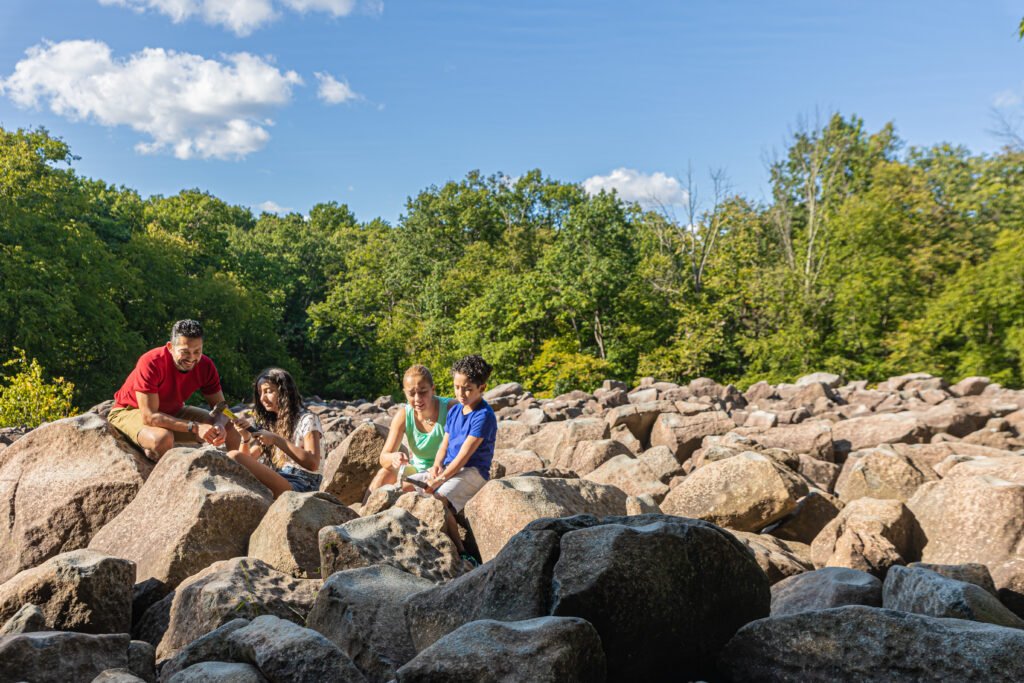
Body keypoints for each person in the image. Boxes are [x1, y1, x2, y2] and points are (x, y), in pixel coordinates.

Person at [405, 354, 497, 560]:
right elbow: (444, 444)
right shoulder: (455, 410)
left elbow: (464, 456)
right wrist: (437, 466)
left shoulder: (484, 415)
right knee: (408, 487)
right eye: (457, 387)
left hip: (474, 472)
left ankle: (461, 552)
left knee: (438, 500)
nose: (461, 393)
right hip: (449, 468)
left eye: (467, 388)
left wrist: (441, 479)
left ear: (482, 388)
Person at [108, 319, 239, 461]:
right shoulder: (151, 362)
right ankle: (161, 473)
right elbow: (150, 417)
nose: (192, 358)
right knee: (163, 438)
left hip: (171, 412)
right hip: (130, 411)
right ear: (170, 347)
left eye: (197, 351)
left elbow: (222, 407)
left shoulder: (206, 366)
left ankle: (238, 471)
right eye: (185, 352)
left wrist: (219, 423)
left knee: (229, 426)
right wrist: (195, 427)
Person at [226, 367, 323, 498]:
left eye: (268, 391)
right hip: (280, 477)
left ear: (285, 392)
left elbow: (313, 464)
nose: (262, 398)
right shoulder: (270, 425)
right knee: (233, 459)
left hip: (302, 484)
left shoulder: (307, 419)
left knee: (233, 456)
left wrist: (276, 439)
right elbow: (246, 463)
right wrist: (245, 438)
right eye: (260, 393)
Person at [366, 364, 452, 495]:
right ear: (405, 393)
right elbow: (384, 457)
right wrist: (394, 457)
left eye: (423, 392)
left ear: (433, 389)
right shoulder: (403, 416)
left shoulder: (451, 408)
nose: (417, 399)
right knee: (384, 472)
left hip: (445, 471)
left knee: (406, 487)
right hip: (417, 470)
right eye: (412, 393)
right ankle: (365, 512)